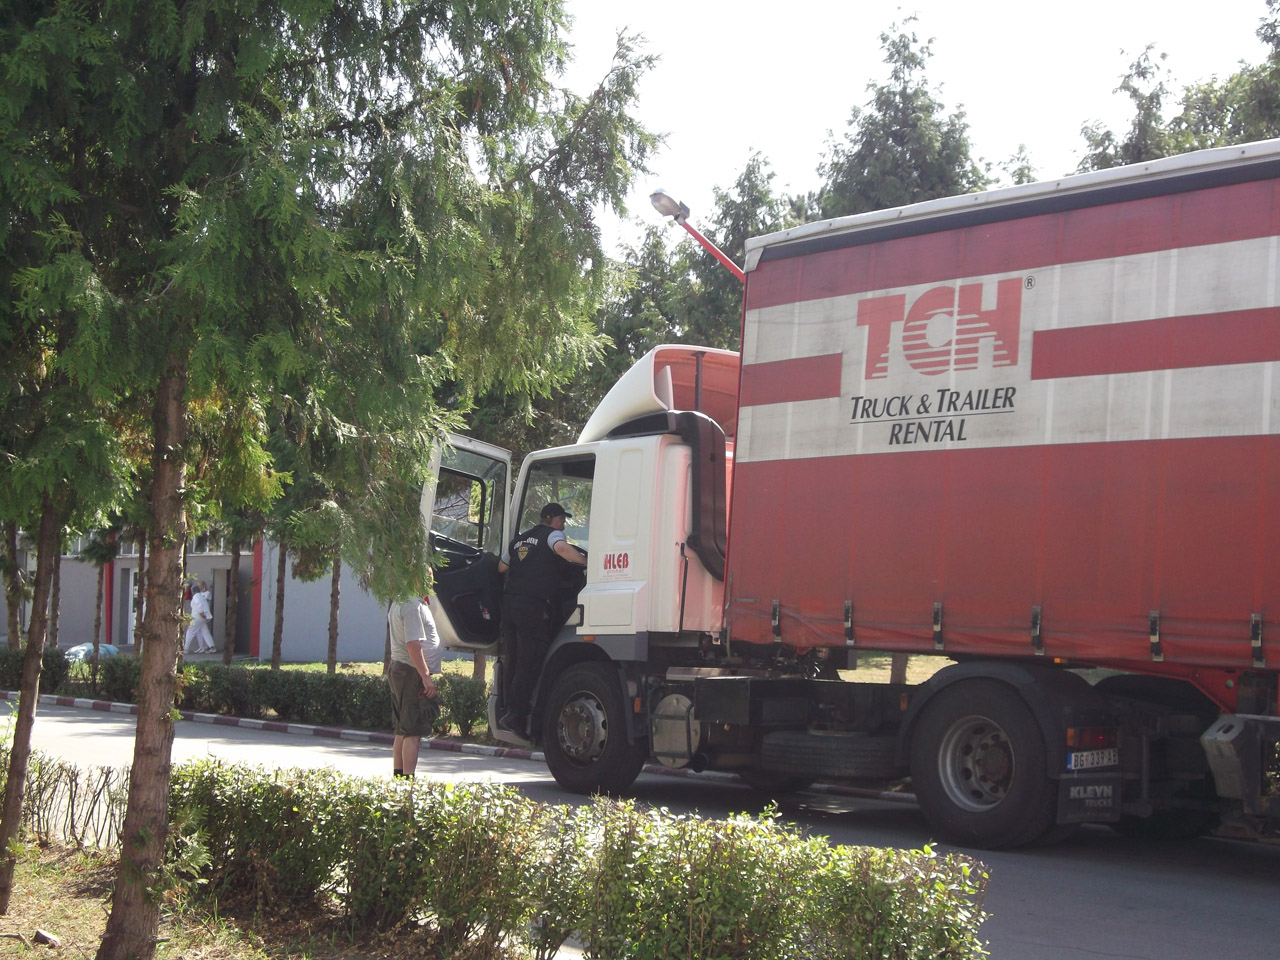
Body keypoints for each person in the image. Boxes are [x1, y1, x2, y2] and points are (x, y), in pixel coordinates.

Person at [497, 502, 587, 732]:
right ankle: (517, 715)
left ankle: (507, 709)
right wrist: (588, 563)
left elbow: (501, 567)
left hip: (510, 606)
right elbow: (562, 549)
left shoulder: (518, 540)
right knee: (529, 660)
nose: (563, 525)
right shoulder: (553, 535)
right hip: (532, 608)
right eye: (562, 520)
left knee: (513, 659)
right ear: (555, 520)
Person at [386, 594, 441, 777]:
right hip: (411, 671)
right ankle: (408, 783)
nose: (432, 582)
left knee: (402, 729)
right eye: (428, 579)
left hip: (404, 669)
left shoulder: (402, 600)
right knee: (412, 731)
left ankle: (399, 780)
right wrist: (425, 676)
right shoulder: (411, 605)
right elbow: (412, 644)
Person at [184, 580, 215, 654]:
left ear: (193, 591)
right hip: (204, 618)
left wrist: (201, 612)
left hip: (197, 617)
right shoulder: (201, 596)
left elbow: (199, 604)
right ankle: (212, 647)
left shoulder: (196, 596)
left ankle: (185, 649)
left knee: (190, 632)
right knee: (205, 632)